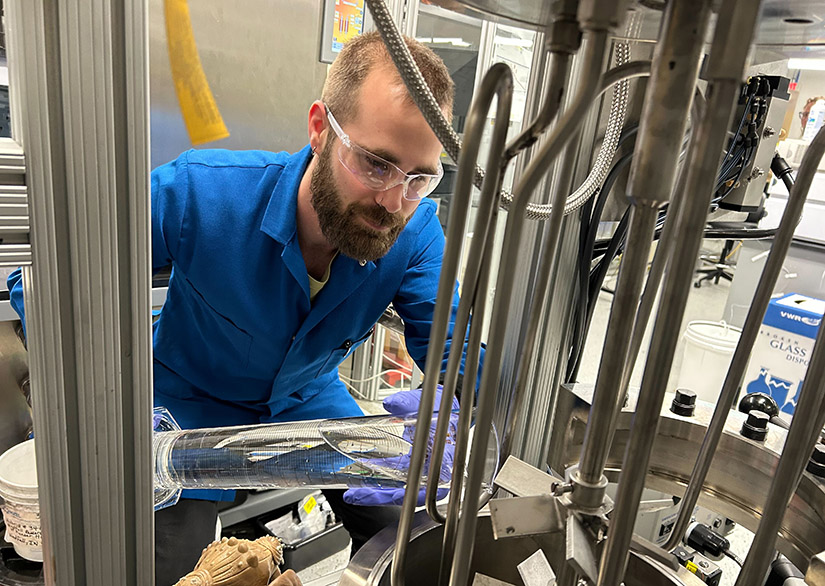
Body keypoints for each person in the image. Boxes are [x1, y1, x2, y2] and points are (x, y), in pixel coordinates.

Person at [7, 32, 467, 586]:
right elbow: (47, 285)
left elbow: (455, 347)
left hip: (308, 403)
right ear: (320, 129)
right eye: (375, 164)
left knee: (420, 531)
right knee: (157, 565)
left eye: (420, 177)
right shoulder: (200, 194)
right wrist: (106, 396)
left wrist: (460, 409)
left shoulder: (414, 232)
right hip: (183, 406)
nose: (395, 201)